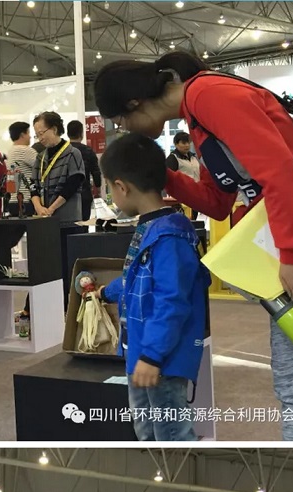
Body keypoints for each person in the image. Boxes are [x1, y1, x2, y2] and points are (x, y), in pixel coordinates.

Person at [94, 52, 293, 441]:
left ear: (133, 103)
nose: (124, 129)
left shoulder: (207, 94)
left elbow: (279, 170)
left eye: (120, 121)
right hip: (288, 241)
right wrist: (160, 175)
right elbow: (216, 202)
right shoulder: (196, 119)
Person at [99, 132, 210, 441]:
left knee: (171, 435)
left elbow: (171, 301)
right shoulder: (152, 228)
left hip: (162, 360)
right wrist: (105, 292)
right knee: (147, 433)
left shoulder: (169, 236)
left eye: (109, 187)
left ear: (121, 186)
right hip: (142, 353)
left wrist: (152, 356)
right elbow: (138, 279)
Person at [31, 112, 85, 221]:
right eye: (37, 135)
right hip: (45, 219)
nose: (40, 139)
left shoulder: (72, 153)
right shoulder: (40, 158)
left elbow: (72, 185)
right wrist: (38, 207)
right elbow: (33, 185)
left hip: (68, 218)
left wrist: (52, 209)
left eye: (41, 133)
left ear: (54, 129)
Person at [67, 119, 102, 221]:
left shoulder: (64, 151)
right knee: (85, 222)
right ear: (81, 134)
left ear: (68, 133)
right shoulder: (88, 151)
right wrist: (98, 187)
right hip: (84, 193)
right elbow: (95, 171)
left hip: (67, 195)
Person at [5, 121, 37, 216]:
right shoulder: (25, 150)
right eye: (28, 133)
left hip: (12, 200)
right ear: (22, 135)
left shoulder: (11, 151)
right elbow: (43, 167)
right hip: (26, 199)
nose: (30, 137)